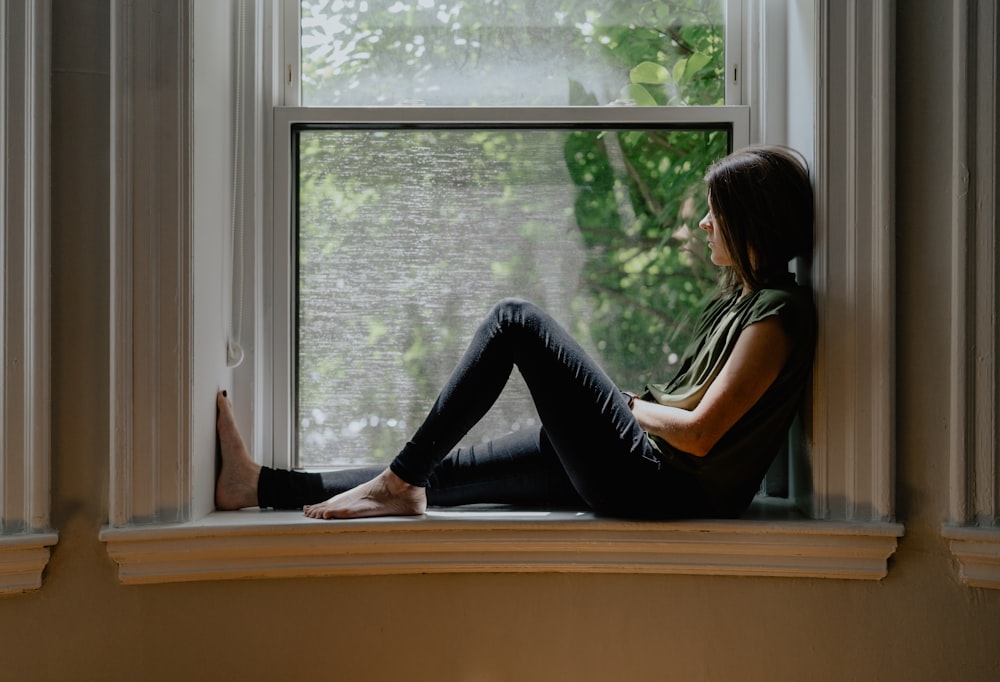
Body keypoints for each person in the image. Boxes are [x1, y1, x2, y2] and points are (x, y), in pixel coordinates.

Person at [216, 144, 816, 521]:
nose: (706, 223)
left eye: (718, 211)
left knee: (516, 320)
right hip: (642, 472)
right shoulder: (742, 300)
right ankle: (258, 486)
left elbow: (702, 434)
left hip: (658, 486)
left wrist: (622, 403)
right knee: (436, 474)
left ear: (750, 221)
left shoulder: (776, 316)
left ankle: (396, 482)